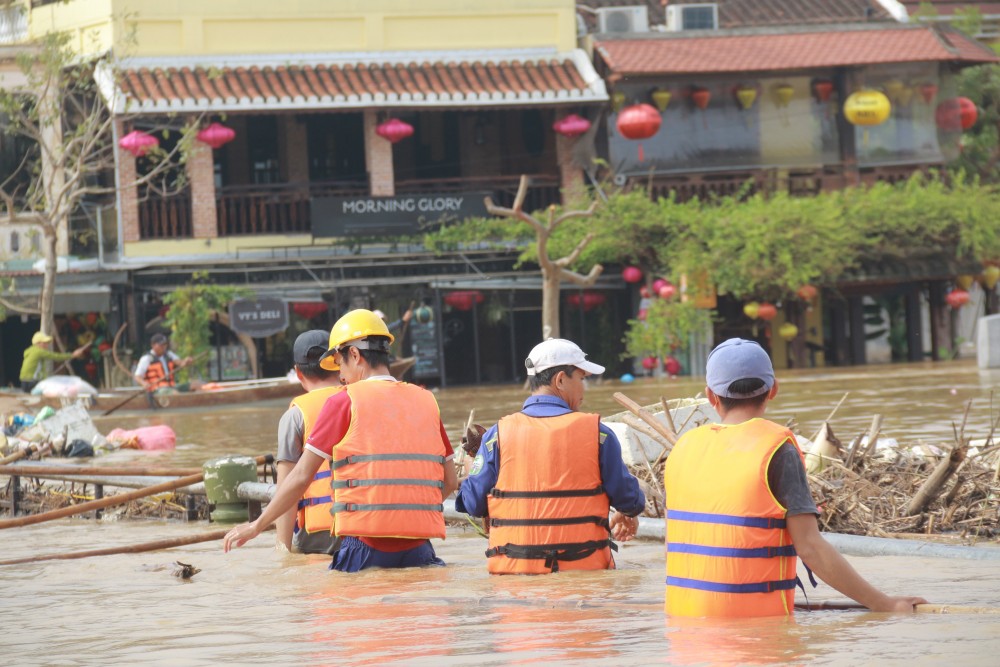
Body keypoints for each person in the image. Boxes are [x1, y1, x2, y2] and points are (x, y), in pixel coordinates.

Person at [664, 338, 927, 617]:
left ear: (710, 396)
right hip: (756, 638)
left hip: (684, 635)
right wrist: (885, 604)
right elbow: (811, 548)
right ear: (773, 389)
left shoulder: (683, 449)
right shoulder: (777, 450)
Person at [224, 309, 458, 572]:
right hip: (420, 548)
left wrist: (257, 525)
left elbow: (301, 476)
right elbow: (450, 480)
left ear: (355, 355)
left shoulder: (344, 401)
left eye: (340, 364)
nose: (341, 376)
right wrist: (404, 514)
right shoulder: (426, 400)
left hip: (364, 548)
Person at [455, 338, 646, 574]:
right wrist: (630, 511)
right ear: (561, 380)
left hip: (514, 583)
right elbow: (629, 498)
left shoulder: (496, 436)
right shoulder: (599, 434)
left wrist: (469, 469)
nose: (584, 389)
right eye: (582, 379)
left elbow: (472, 504)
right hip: (584, 579)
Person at [274, 330, 344, 555]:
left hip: (317, 540)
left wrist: (282, 552)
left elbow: (286, 489)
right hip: (362, 529)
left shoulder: (295, 417)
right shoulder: (358, 399)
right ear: (338, 362)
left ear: (298, 372)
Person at [19, 331, 90, 393]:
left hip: (24, 382)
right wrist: (73, 355)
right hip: (32, 382)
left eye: (47, 343)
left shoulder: (30, 350)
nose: (47, 345)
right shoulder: (39, 352)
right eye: (44, 343)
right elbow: (56, 357)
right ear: (38, 343)